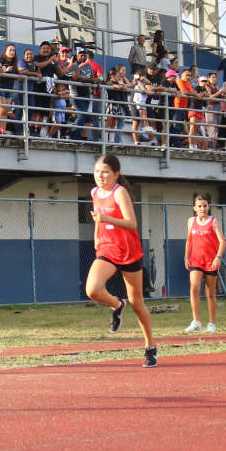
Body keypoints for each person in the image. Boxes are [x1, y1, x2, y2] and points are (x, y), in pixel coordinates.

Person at [85, 154, 157, 367]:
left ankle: (150, 347)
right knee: (92, 290)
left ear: (116, 174)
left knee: (137, 303)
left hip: (129, 251)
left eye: (105, 171)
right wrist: (97, 239)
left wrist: (107, 219)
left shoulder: (120, 192)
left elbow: (132, 224)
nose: (100, 175)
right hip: (107, 249)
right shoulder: (94, 192)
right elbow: (98, 219)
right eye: (97, 171)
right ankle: (117, 304)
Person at [183, 194, 225, 333]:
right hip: (196, 260)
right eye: (199, 206)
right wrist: (186, 257)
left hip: (210, 261)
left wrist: (218, 257)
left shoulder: (213, 221)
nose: (202, 208)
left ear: (209, 207)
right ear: (195, 208)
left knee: (210, 293)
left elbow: (222, 241)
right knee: (194, 288)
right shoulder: (191, 221)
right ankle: (196, 321)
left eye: (205, 206)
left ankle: (212, 323)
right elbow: (189, 240)